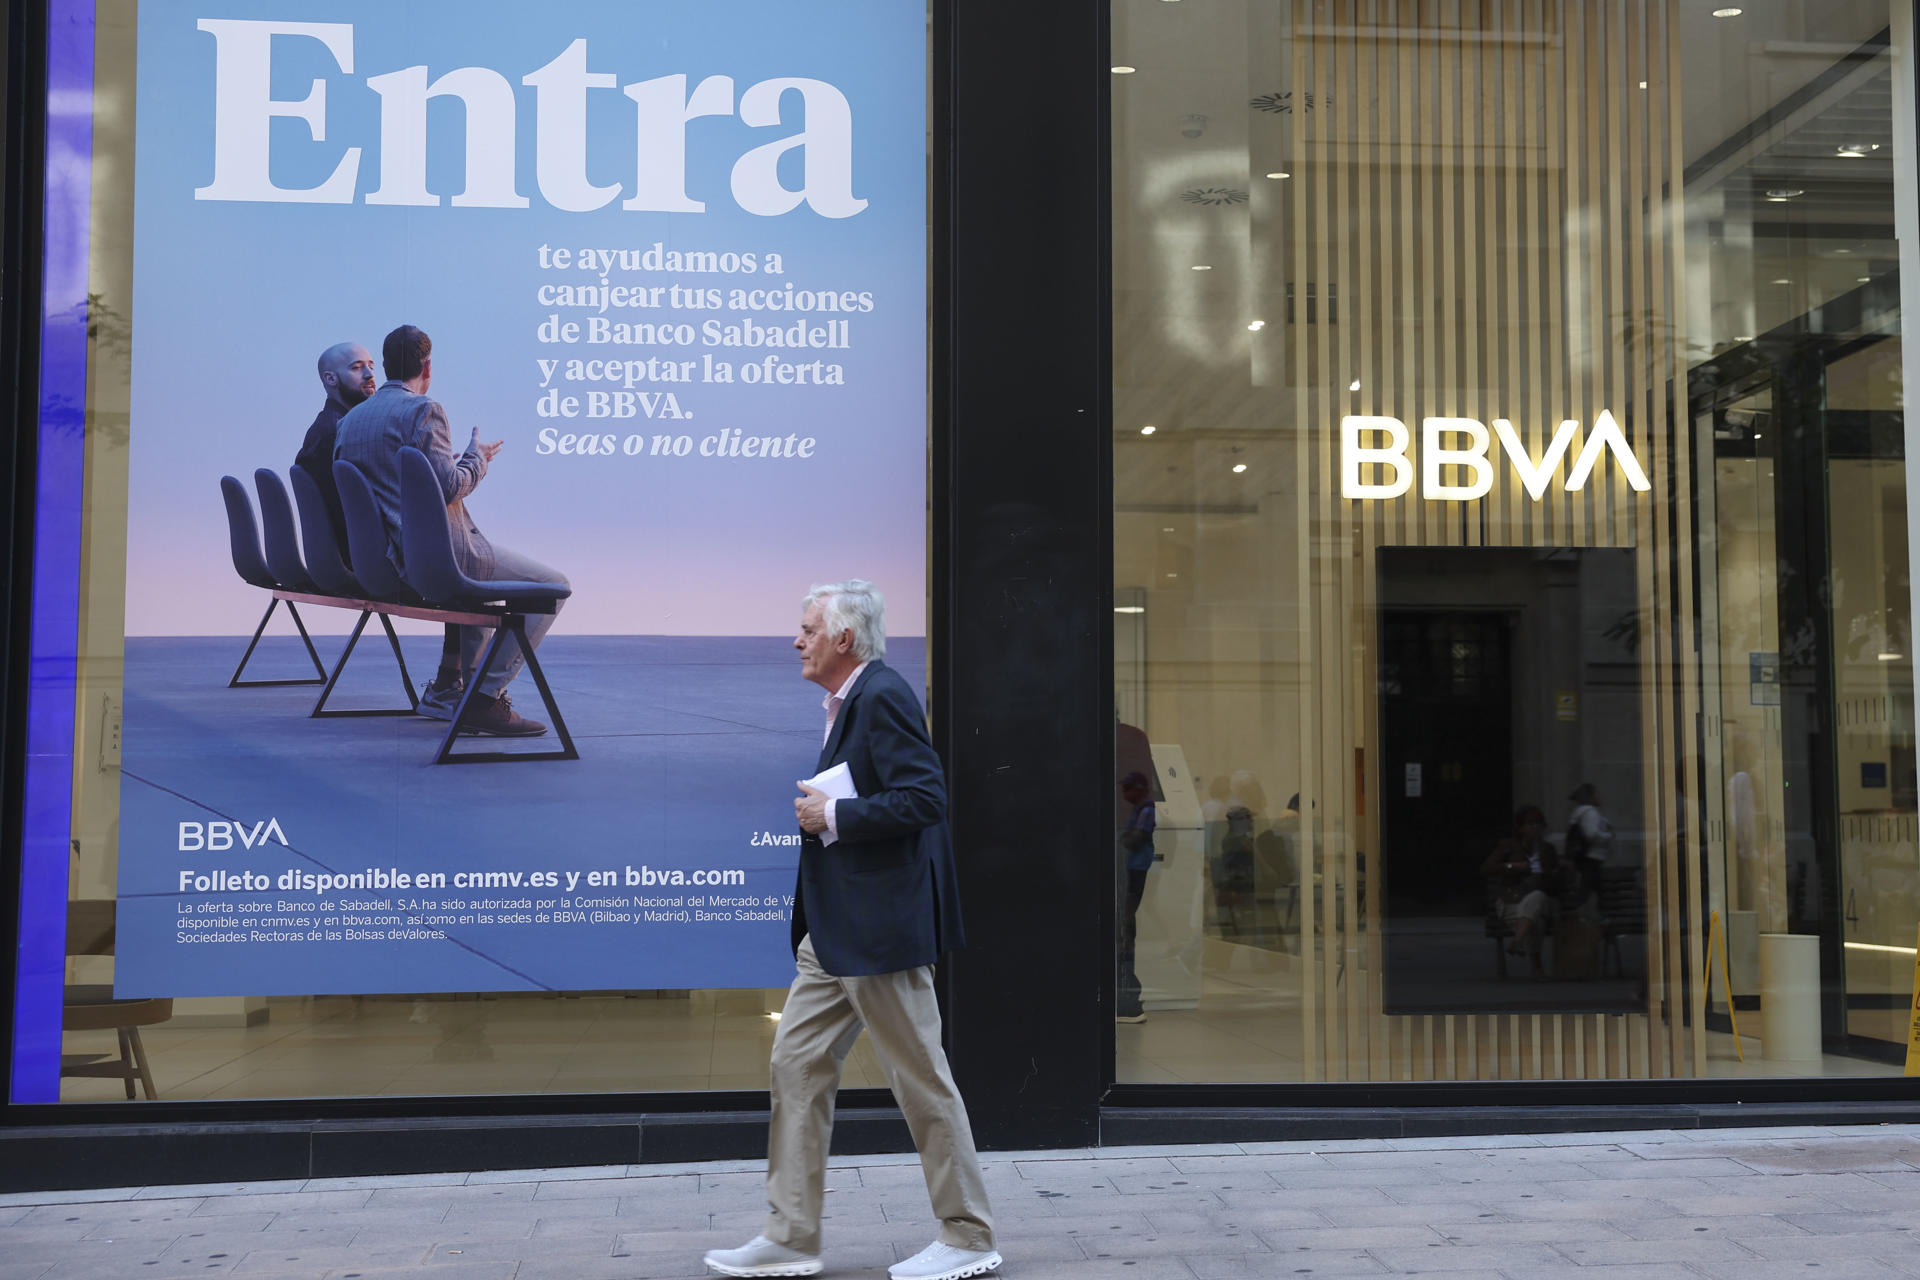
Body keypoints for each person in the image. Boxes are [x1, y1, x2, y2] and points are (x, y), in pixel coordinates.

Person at [704, 581, 998, 1280]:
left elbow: (926, 797)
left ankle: (968, 1236)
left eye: (808, 629)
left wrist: (833, 819)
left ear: (844, 639)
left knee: (920, 1077)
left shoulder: (883, 694)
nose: (797, 640)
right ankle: (790, 1236)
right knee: (796, 1066)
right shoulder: (848, 700)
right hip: (835, 935)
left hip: (879, 932)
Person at [334, 324, 568, 738]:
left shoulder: (350, 422)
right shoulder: (424, 410)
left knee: (485, 592)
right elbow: (448, 488)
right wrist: (476, 460)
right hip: (435, 559)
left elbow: (402, 481)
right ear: (427, 366)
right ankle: (484, 698)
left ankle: (452, 691)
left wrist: (452, 463)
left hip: (385, 561)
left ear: (386, 365)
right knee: (554, 585)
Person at [295, 341, 464, 715]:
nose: (371, 374)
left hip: (353, 554)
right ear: (330, 378)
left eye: (372, 365)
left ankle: (451, 686)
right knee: (454, 566)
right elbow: (355, 510)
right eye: (358, 367)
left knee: (445, 554)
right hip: (363, 561)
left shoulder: (334, 427)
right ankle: (451, 688)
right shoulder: (333, 433)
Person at [1480, 805, 1562, 979]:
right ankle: (1536, 969)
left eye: (1539, 823)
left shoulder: (1548, 850)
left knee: (1537, 897)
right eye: (1530, 823)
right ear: (1520, 827)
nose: (1535, 827)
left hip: (1540, 900)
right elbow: (1486, 868)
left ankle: (1517, 941)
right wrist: (1513, 866)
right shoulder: (1508, 846)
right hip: (1512, 901)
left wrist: (1559, 871)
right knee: (1535, 921)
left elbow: (1557, 879)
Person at [1116, 769, 1156, 1023]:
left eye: (1127, 789)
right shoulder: (1139, 809)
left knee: (1127, 914)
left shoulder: (1146, 810)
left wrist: (1121, 840)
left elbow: (1137, 838)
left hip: (1136, 868)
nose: (1124, 794)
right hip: (1132, 867)